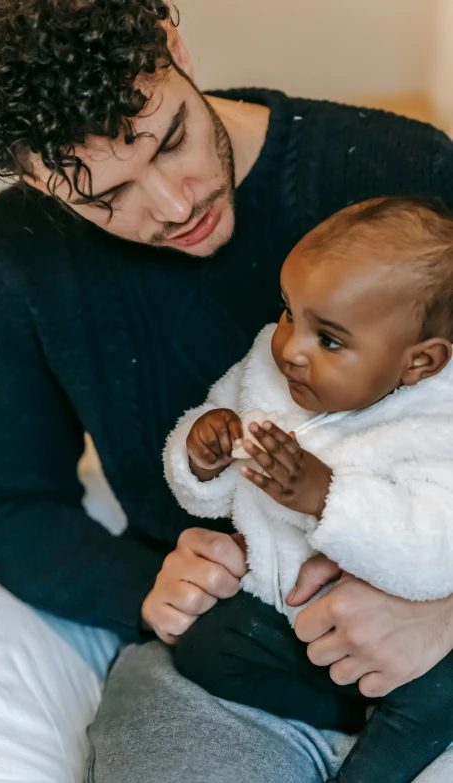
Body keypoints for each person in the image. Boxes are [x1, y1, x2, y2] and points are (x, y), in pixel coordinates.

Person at [0, 1, 453, 780]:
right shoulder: (25, 255)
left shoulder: (397, 168)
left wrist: (443, 613)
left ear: (173, 46)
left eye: (171, 138)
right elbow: (13, 503)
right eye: (106, 196)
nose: (176, 206)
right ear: (34, 178)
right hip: (227, 658)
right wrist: (151, 588)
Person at [165, 195, 453, 783]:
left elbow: (433, 552)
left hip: (412, 646)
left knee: (429, 702)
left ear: (419, 363)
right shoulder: (269, 370)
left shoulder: (436, 425)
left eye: (330, 340)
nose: (291, 347)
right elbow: (218, 484)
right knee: (205, 647)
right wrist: (202, 453)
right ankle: (348, 715)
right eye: (290, 311)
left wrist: (328, 497)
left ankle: (383, 740)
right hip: (293, 617)